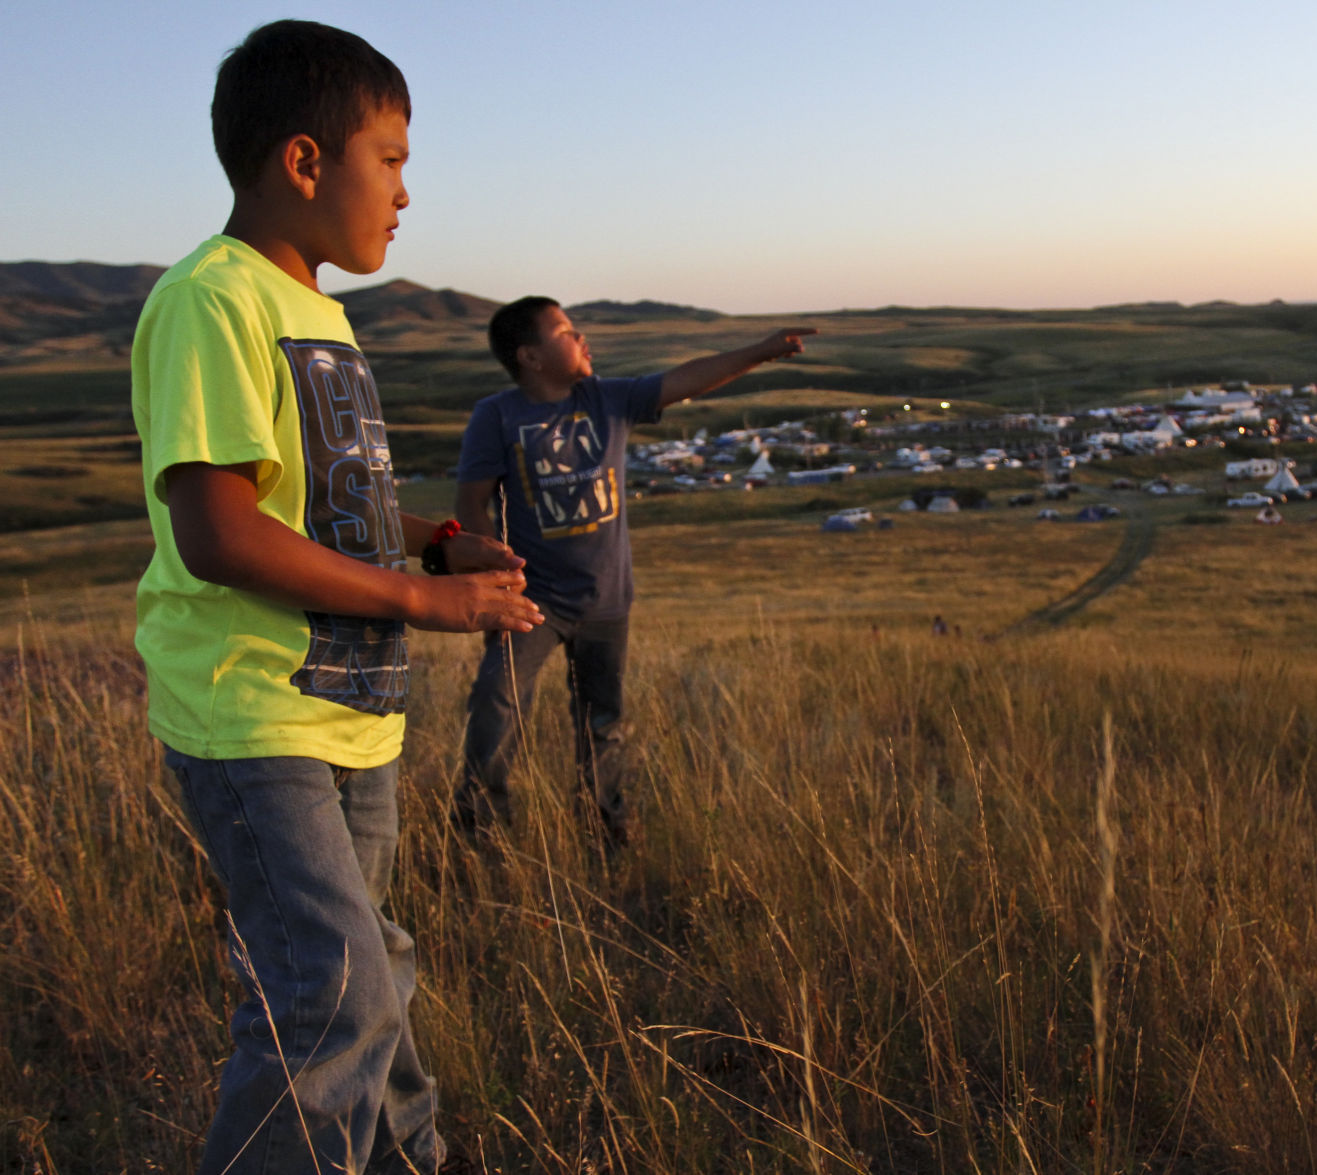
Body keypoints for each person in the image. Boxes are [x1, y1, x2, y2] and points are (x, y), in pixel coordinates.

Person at [131, 21, 543, 1175]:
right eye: (394, 158)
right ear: (306, 162)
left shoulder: (321, 310)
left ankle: (413, 1154)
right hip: (252, 706)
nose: (407, 192)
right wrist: (424, 605)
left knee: (367, 964)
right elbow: (217, 532)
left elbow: (321, 502)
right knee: (334, 989)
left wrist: (438, 540)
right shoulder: (212, 299)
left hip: (349, 704)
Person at [451, 297, 813, 843]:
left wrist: (761, 352)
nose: (582, 338)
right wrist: (492, 577)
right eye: (567, 332)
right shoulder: (497, 415)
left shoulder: (609, 399)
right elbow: (471, 502)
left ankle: (604, 828)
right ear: (530, 356)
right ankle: (480, 827)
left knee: (604, 722)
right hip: (531, 600)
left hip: (606, 599)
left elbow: (686, 379)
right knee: (498, 704)